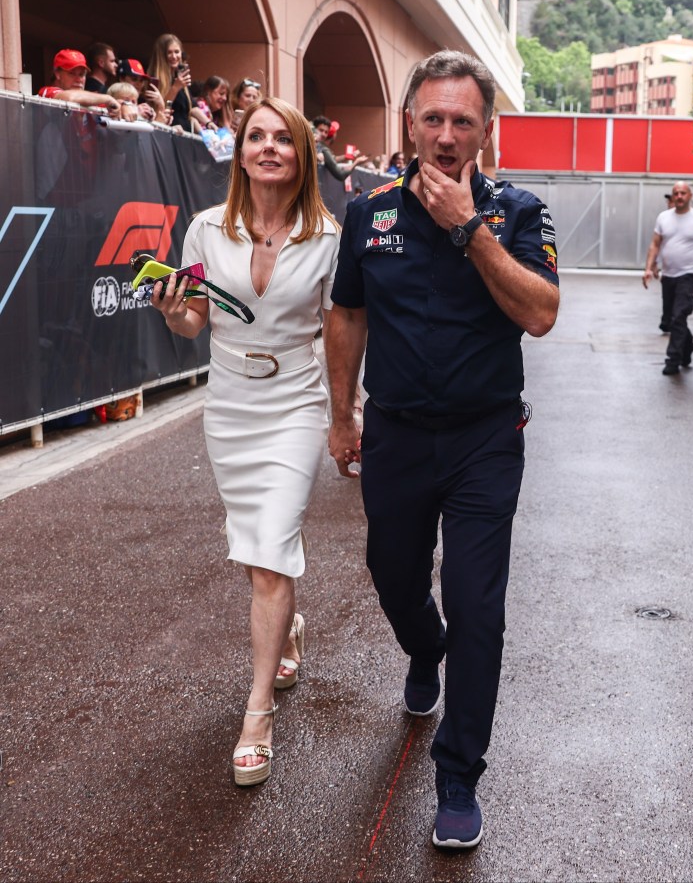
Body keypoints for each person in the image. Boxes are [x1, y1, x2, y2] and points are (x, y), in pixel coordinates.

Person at [325, 49, 560, 849]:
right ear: (410, 124)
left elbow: (539, 313)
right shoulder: (370, 209)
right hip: (392, 430)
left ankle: (457, 775)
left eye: (464, 119)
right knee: (391, 574)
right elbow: (346, 314)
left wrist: (469, 230)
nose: (448, 133)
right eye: (434, 117)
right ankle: (423, 649)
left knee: (479, 606)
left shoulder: (518, 210)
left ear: (485, 128)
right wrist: (340, 414)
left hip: (483, 439)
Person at [149, 97, 339, 787]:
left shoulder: (328, 237)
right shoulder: (206, 229)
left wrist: (345, 414)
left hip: (294, 402)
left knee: (269, 551)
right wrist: (175, 313)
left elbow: (340, 328)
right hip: (229, 404)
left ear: (300, 155)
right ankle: (284, 628)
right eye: (254, 136)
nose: (266, 148)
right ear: (239, 152)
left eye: (280, 139)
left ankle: (257, 710)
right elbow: (194, 322)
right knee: (253, 546)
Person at [643, 181, 693, 375]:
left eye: (682, 193)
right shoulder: (663, 218)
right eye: (675, 193)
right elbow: (655, 244)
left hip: (688, 275)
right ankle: (688, 347)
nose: (679, 196)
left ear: (690, 195)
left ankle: (673, 360)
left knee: (679, 316)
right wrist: (648, 268)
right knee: (671, 319)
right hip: (668, 276)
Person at [38, 49, 120, 113]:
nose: (79, 79)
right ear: (57, 74)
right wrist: (107, 98)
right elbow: (69, 97)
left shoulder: (93, 98)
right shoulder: (47, 92)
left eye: (81, 74)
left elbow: (115, 106)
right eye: (72, 73)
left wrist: (125, 106)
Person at [148, 33, 193, 132]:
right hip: (167, 134)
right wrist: (175, 88)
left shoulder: (179, 78)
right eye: (169, 53)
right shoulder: (154, 80)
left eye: (177, 52)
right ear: (161, 55)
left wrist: (208, 123)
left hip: (184, 134)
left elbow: (191, 109)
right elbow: (161, 110)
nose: (174, 56)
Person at [312, 115, 369, 180]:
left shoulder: (322, 149)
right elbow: (340, 174)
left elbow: (332, 159)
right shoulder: (305, 142)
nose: (323, 134)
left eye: (326, 132)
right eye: (321, 130)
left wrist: (349, 157)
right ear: (314, 129)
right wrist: (356, 163)